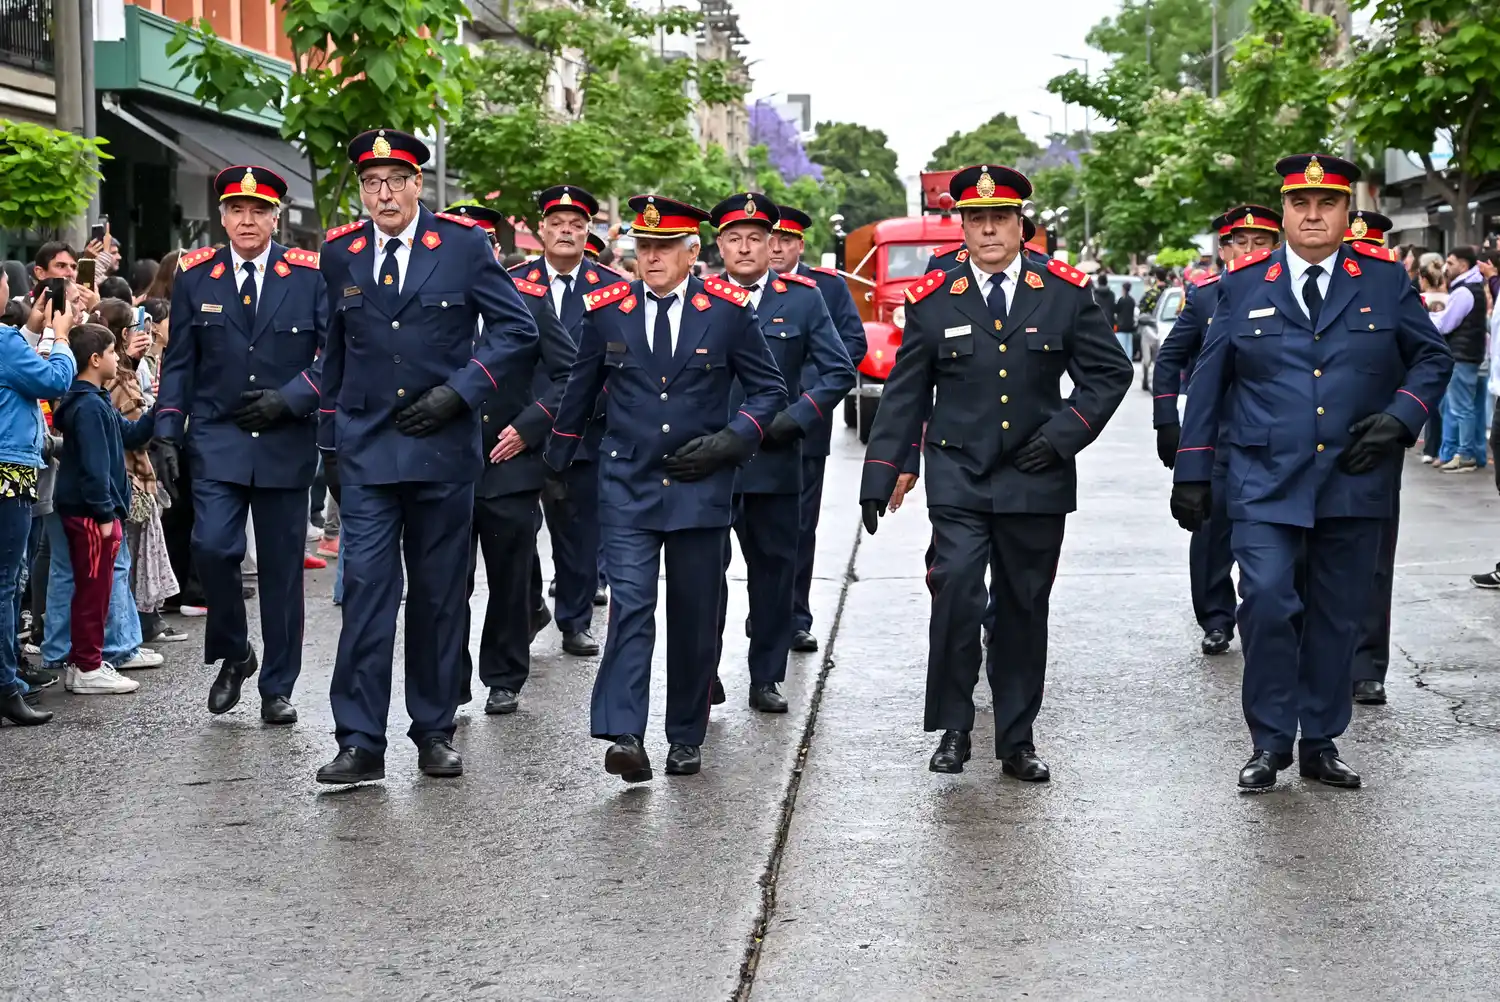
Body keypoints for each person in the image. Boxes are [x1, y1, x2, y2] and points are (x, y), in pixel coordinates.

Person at [1170, 153, 1452, 791]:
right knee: (1267, 600)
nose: (1314, 215)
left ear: (1346, 211)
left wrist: (1400, 418)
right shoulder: (1240, 289)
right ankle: (1270, 742)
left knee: (1335, 613)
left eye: (1328, 204)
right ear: (1286, 211)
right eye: (1301, 204)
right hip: (1263, 480)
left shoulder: (1384, 282)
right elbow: (1208, 382)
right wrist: (1191, 471)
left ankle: (1320, 739)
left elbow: (1431, 360)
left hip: (1354, 479)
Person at [859, 164, 1131, 779]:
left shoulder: (1062, 291)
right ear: (961, 227)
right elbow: (906, 391)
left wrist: (1063, 437)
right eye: (975, 219)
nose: (987, 230)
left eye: (999, 219)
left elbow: (1109, 374)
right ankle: (954, 728)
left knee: (1021, 607)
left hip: (1037, 476)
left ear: (1020, 225)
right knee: (954, 589)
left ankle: (1016, 738)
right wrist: (882, 471)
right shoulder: (932, 298)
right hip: (959, 470)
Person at [315, 129, 539, 784]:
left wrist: (462, 393)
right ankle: (359, 740)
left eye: (395, 180)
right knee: (365, 595)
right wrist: (329, 444)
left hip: (441, 449)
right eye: (371, 182)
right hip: (368, 451)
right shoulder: (342, 254)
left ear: (418, 184)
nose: (383, 193)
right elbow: (333, 355)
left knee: (440, 597)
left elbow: (515, 330)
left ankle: (434, 729)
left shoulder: (464, 247)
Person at [544, 194, 786, 782]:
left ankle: (685, 734)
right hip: (626, 482)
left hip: (699, 484)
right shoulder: (608, 310)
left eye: (663, 248)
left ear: (691, 251)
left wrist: (732, 442)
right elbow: (578, 392)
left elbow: (769, 391)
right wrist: (553, 467)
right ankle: (625, 732)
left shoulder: (726, 311)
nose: (650, 258)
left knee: (695, 612)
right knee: (631, 607)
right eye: (643, 247)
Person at [155, 166, 328, 723]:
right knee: (212, 549)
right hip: (218, 436)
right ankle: (235, 651)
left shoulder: (307, 276)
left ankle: (278, 686)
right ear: (222, 216)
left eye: (258, 211)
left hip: (284, 438)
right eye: (235, 210)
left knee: (280, 571)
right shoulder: (195, 274)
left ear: (276, 217)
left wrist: (294, 397)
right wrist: (166, 429)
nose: (246, 220)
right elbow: (180, 362)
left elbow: (335, 359)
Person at [707, 193, 854, 713]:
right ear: (719, 245)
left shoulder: (803, 298)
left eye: (755, 238)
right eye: (734, 239)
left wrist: (797, 419)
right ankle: (704, 672)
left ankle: (766, 676)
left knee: (773, 575)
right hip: (711, 461)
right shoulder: (701, 297)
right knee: (704, 576)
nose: (745, 248)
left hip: (774, 459)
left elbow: (840, 370)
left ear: (773, 244)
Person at [449, 202, 575, 715]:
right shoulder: (428, 303)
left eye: (484, 241)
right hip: (447, 466)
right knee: (446, 586)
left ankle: (504, 675)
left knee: (509, 581)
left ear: (495, 251)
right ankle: (448, 683)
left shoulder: (528, 302)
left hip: (510, 466)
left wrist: (529, 427)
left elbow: (572, 377)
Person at [1154, 204, 1283, 656]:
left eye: (1260, 243)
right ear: (1224, 248)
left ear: (1275, 247)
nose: (1249, 250)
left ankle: (1265, 615)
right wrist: (1166, 420)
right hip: (1218, 434)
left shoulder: (1289, 291)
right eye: (1239, 243)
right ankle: (1215, 618)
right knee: (1211, 533)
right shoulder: (1206, 296)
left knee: (1271, 535)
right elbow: (1170, 358)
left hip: (1271, 435)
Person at [508, 185, 621, 656]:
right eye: (558, 224)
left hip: (585, 432)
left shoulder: (612, 287)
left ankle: (574, 619)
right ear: (542, 230)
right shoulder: (512, 282)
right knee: (516, 528)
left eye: (577, 225)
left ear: (588, 231)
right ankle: (531, 603)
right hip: (518, 430)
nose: (567, 232)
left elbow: (618, 359)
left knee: (578, 532)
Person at [771, 204, 867, 653]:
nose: (775, 247)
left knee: (797, 526)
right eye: (769, 238)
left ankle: (793, 615)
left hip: (803, 423)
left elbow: (853, 344)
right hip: (741, 428)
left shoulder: (824, 288)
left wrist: (808, 392)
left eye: (784, 240)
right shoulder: (731, 290)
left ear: (800, 244)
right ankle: (763, 608)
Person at [52, 323, 157, 695]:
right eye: (113, 352)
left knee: (93, 587)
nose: (118, 358)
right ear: (96, 360)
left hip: (92, 511)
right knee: (93, 590)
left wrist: (159, 410)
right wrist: (103, 515)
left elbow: (130, 435)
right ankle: (87, 665)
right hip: (90, 513)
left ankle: (87, 660)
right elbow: (95, 470)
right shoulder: (88, 407)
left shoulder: (95, 402)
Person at [0, 285, 77, 725]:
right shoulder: (5, 342)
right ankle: (6, 685)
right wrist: (61, 337)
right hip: (9, 470)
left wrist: (31, 330)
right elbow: (53, 381)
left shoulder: (11, 341)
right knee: (7, 582)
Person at [1432, 246, 1487, 471]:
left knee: (1461, 408)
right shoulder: (1469, 288)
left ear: (1464, 266)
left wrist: (1426, 319)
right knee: (1455, 406)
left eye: (1451, 263)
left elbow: (1447, 323)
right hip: (1466, 355)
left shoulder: (1464, 291)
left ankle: (1465, 455)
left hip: (1462, 356)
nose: (1447, 267)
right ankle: (1456, 451)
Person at [1115, 281, 1138, 359]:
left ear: (1123, 289)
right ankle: (1130, 360)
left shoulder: (1121, 300)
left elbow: (1117, 310)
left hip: (1121, 326)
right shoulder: (1132, 300)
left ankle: (1124, 361)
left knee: (1122, 345)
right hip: (1130, 326)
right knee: (1129, 346)